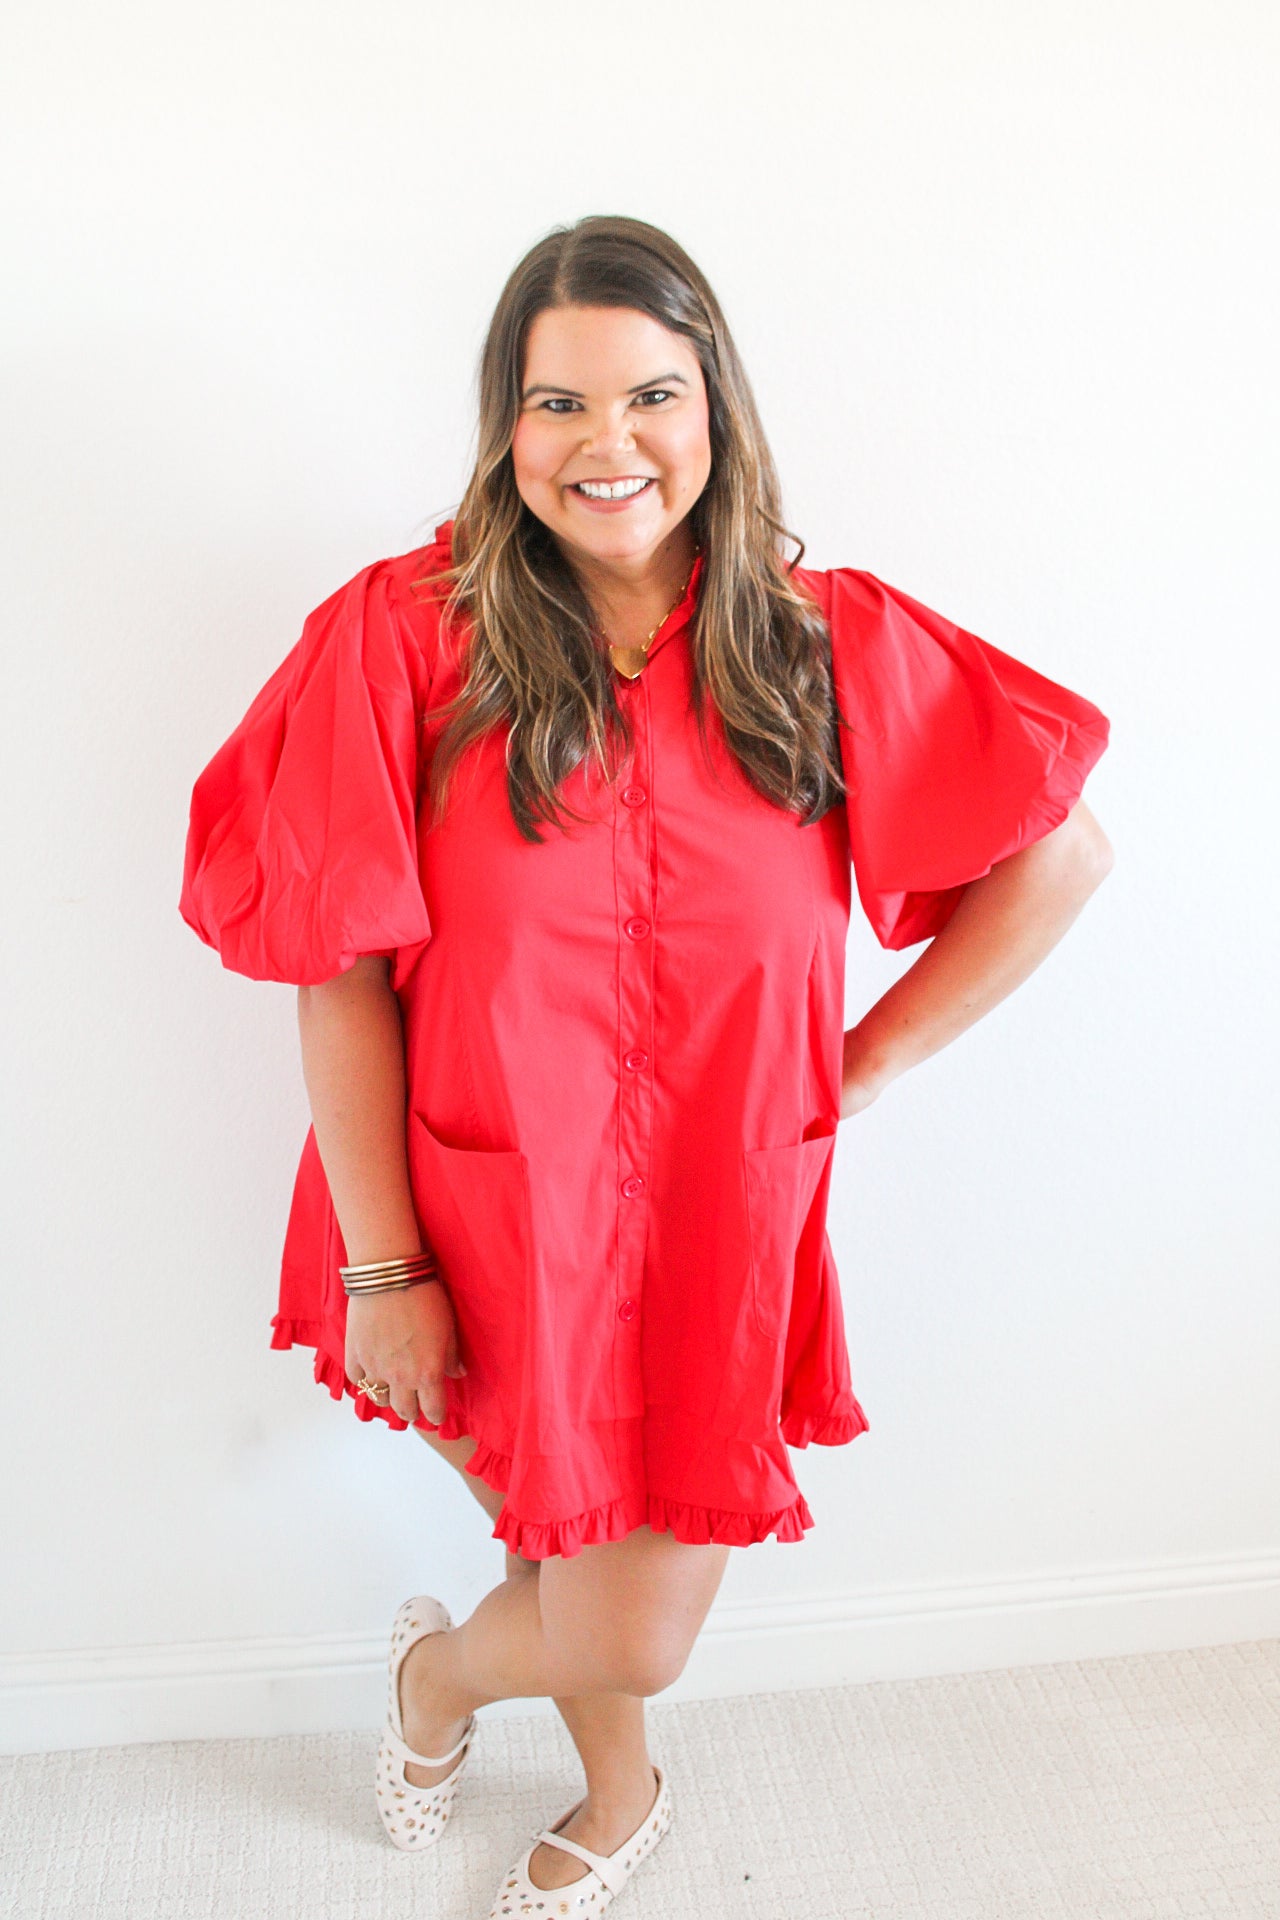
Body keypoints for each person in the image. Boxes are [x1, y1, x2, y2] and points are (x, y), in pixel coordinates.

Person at [179, 213, 1114, 1917]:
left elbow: (1060, 855)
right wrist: (386, 1265)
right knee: (560, 1538)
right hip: (467, 1210)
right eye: (557, 403)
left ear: (716, 412)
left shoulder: (821, 647)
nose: (605, 444)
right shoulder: (404, 638)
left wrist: (863, 1068)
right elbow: (333, 971)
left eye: (650, 395)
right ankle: (622, 1794)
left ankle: (435, 1685)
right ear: (505, 427)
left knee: (625, 1614)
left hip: (709, 1226)